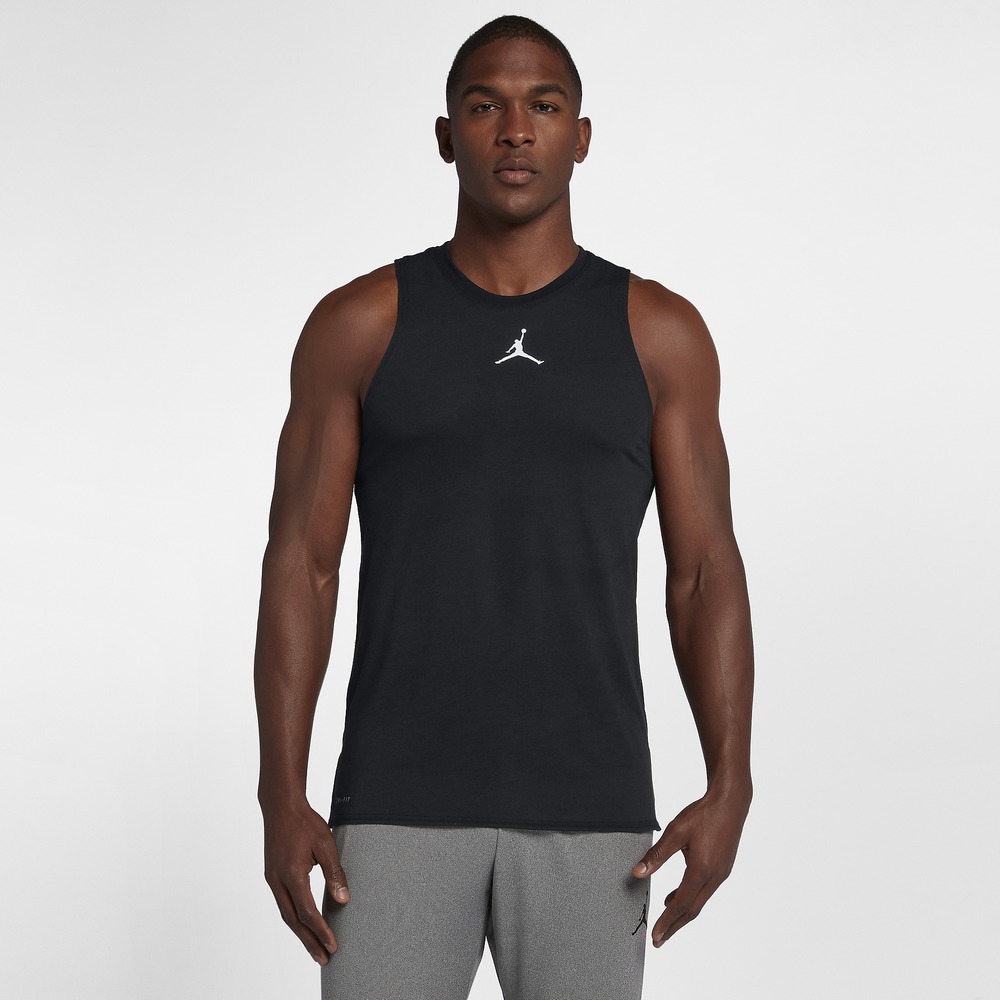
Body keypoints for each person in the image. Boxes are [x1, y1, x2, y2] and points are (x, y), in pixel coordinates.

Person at [253, 14, 754, 1000]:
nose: (516, 130)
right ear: (447, 136)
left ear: (582, 136)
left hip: (592, 808)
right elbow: (302, 564)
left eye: (544, 106)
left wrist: (730, 781)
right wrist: (281, 790)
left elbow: (703, 573)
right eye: (485, 106)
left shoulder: (659, 335)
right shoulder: (359, 325)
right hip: (393, 805)